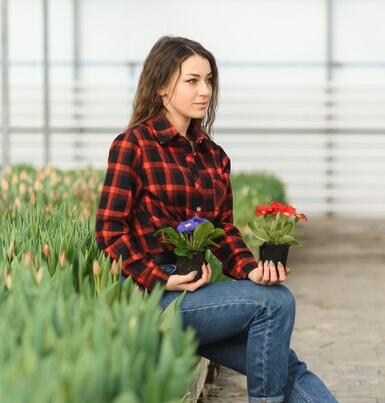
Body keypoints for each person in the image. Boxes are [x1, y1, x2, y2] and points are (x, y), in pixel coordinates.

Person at [95, 36, 337, 403]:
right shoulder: (134, 145)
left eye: (209, 80)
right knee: (275, 303)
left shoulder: (214, 156)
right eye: (192, 80)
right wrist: (163, 278)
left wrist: (249, 269)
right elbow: (109, 232)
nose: (204, 90)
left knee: (283, 364)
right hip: (152, 297)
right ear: (162, 86)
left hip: (196, 294)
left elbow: (223, 229)